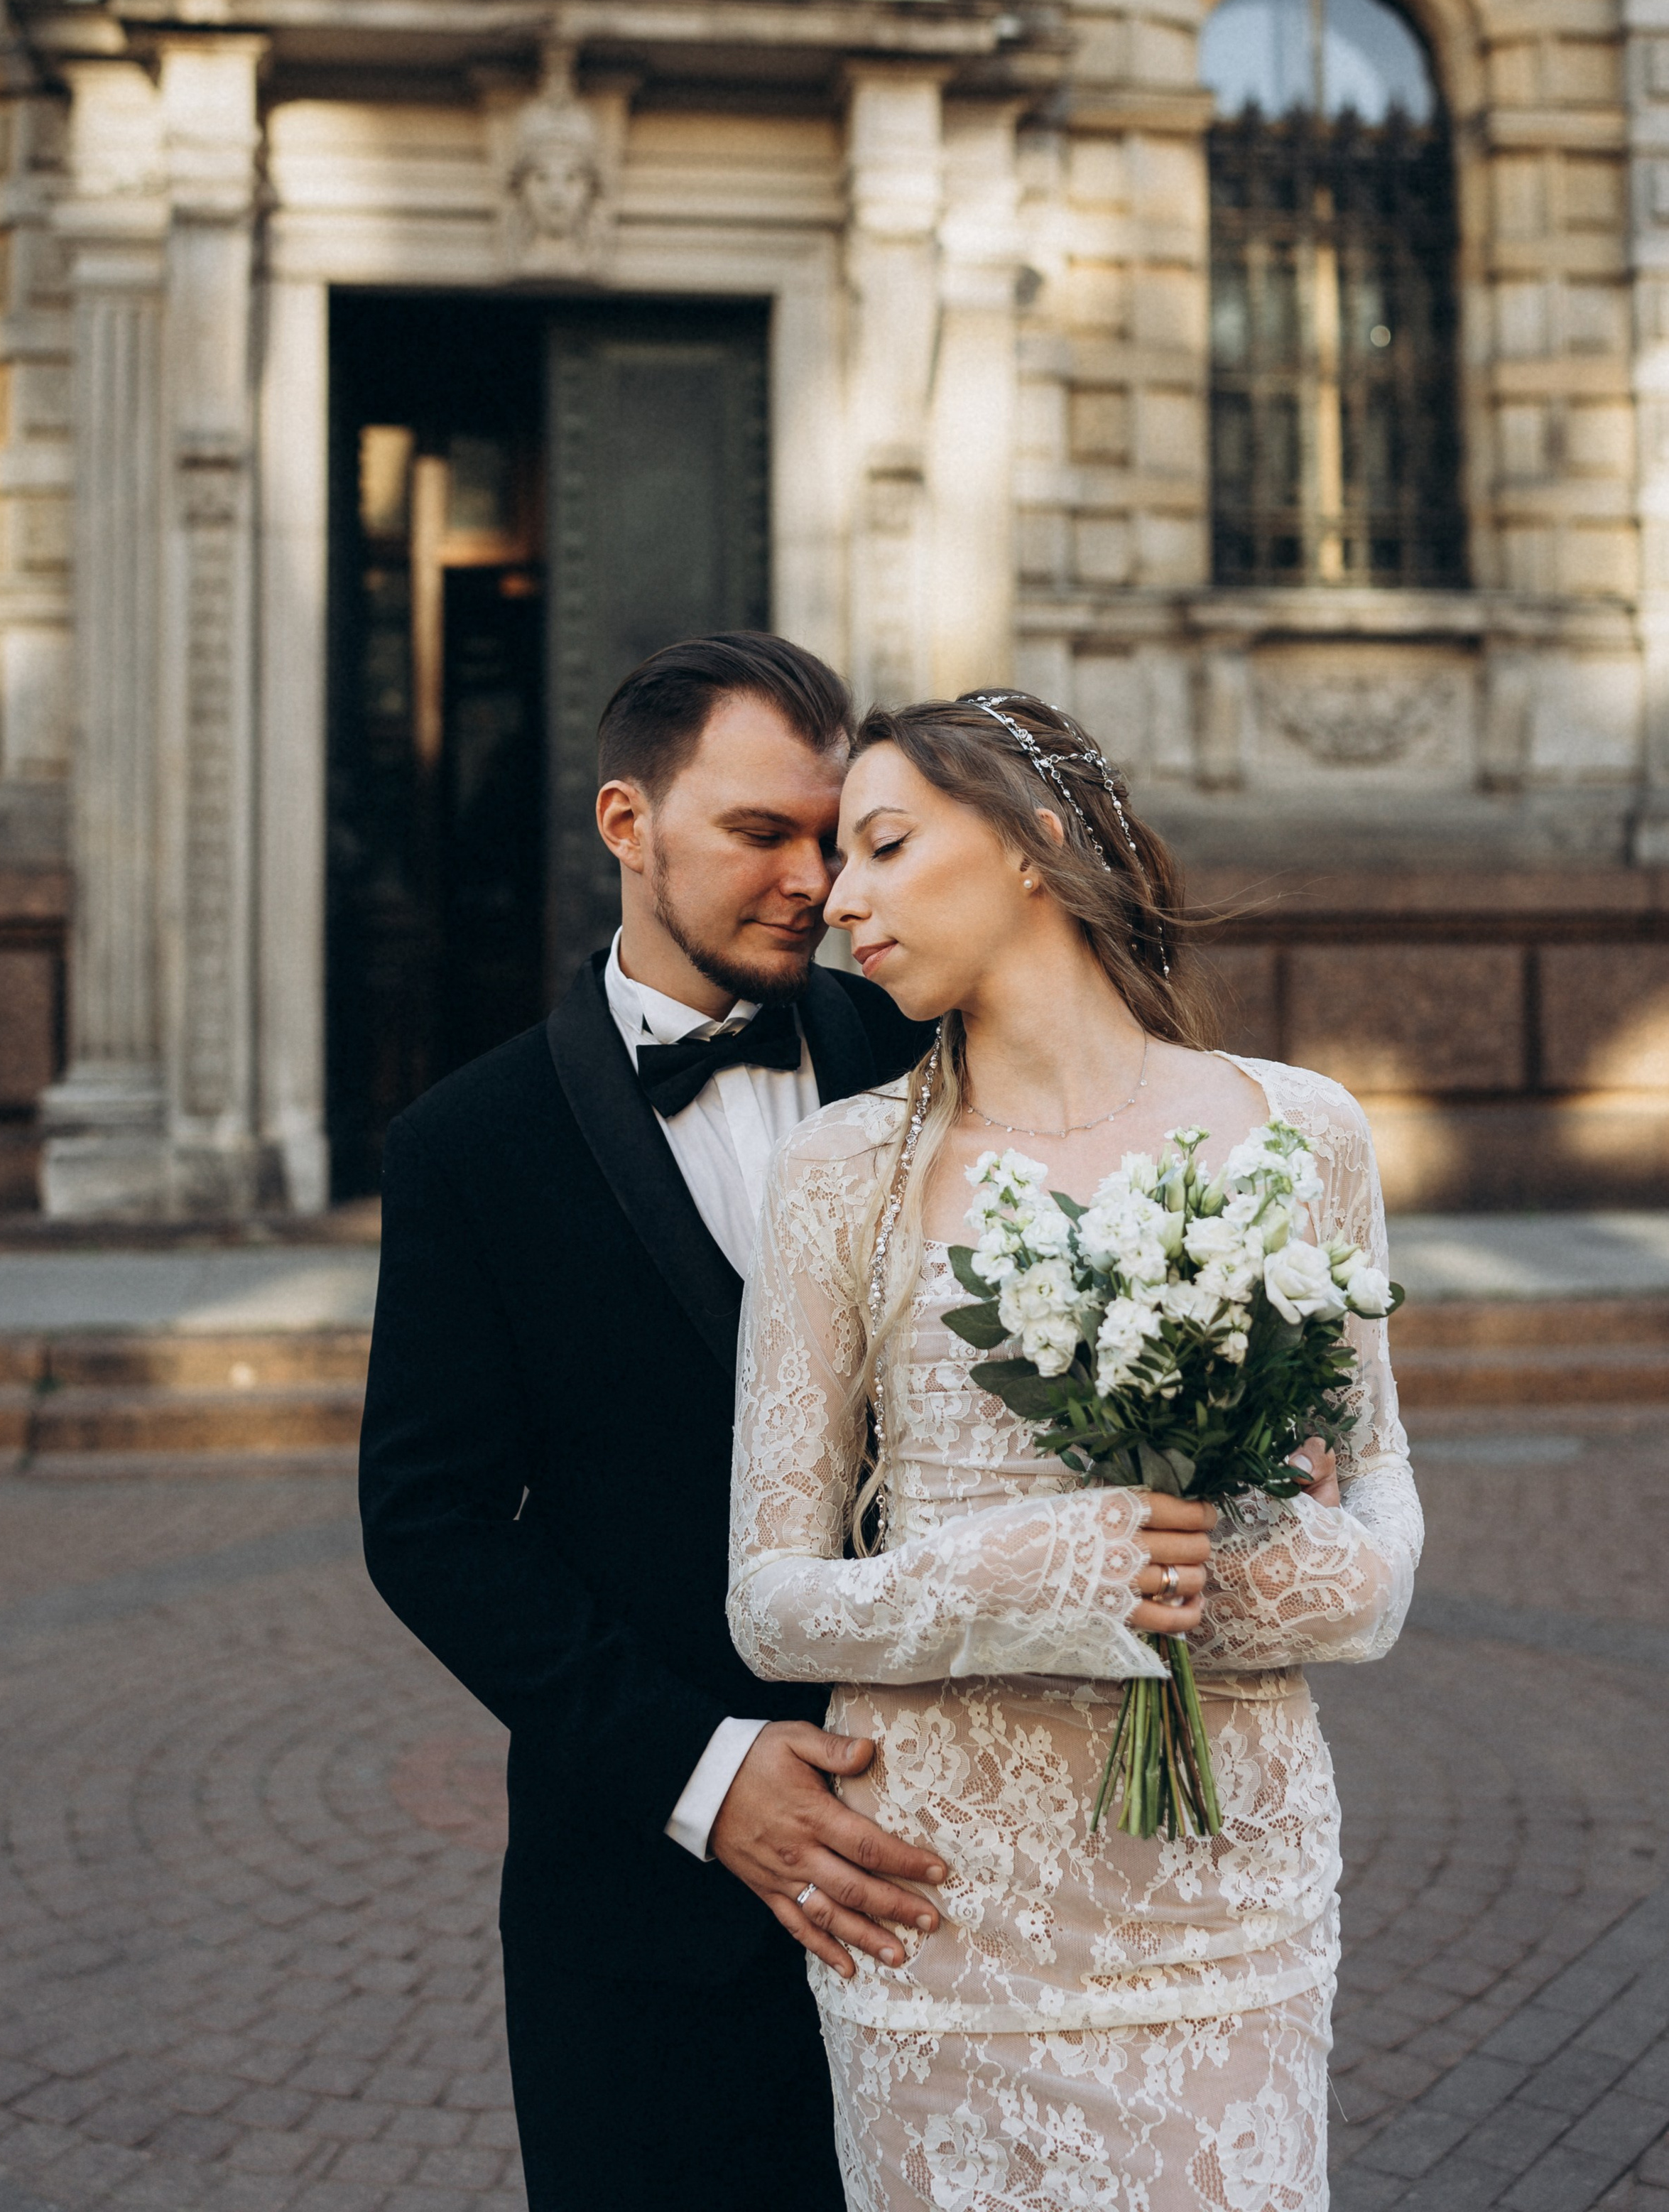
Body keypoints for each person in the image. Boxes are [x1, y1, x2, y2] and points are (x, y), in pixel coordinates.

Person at [727, 688, 1423, 2212]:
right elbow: (766, 1604)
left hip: (1218, 1906)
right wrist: (1028, 1573)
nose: (838, 901)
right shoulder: (838, 1174)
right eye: (838, 862)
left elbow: (1373, 1524)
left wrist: (1283, 1577)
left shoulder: (1299, 1133)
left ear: (1034, 846)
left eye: (885, 846)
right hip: (938, 1916)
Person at [359, 631, 939, 2212]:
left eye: (834, 836)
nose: (814, 881)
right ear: (628, 824)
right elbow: (431, 1527)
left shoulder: (940, 1057)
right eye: (762, 834)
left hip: (956, 1868)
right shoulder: (465, 1147)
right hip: (640, 1904)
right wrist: (705, 1775)